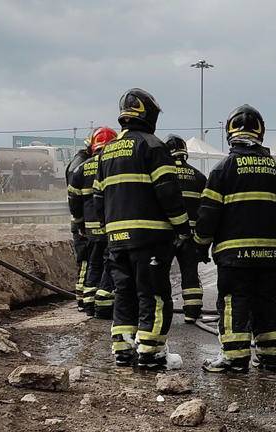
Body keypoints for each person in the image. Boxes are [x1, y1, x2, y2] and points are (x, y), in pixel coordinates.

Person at [196, 104, 276, 374]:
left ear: (230, 132)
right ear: (260, 132)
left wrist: (200, 243)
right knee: (265, 302)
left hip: (234, 257)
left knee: (233, 303)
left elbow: (208, 214)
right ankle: (269, 357)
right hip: (270, 255)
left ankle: (235, 358)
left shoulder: (223, 169)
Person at [94, 88, 191, 369]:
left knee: (124, 294)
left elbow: (98, 199)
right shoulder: (154, 146)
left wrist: (110, 231)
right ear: (148, 114)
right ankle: (151, 353)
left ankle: (123, 351)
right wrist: (182, 228)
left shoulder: (107, 151)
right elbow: (168, 193)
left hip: (116, 240)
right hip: (150, 239)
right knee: (154, 295)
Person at [69, 127, 118, 318]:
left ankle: (88, 303)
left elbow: (73, 199)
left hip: (89, 228)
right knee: (109, 264)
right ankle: (104, 303)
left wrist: (80, 223)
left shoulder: (81, 168)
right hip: (109, 226)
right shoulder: (111, 165)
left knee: (93, 264)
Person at [164, 134, 207, 323]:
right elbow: (206, 211)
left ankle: (163, 313)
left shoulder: (162, 174)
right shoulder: (199, 177)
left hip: (166, 234)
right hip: (190, 236)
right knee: (190, 273)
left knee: (161, 272)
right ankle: (192, 312)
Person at [66, 143, 92, 310]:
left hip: (84, 222)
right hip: (83, 224)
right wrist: (79, 221)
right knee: (86, 261)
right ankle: (83, 299)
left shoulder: (81, 162)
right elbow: (75, 196)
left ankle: (86, 299)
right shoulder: (79, 165)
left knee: (90, 262)